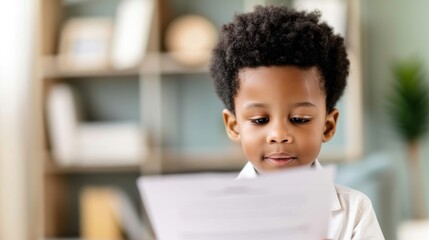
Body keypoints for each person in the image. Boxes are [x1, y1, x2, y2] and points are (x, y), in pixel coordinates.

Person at [209, 5, 384, 240]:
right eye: (260, 120)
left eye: (299, 119)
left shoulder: (355, 212)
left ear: (328, 126)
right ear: (233, 126)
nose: (279, 134)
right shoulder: (212, 215)